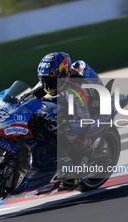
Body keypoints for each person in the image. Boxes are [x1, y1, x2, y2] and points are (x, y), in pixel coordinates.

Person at [33, 52, 104, 191]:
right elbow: (31, 95)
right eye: (44, 80)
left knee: (69, 134)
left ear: (62, 76)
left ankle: (80, 166)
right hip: (66, 99)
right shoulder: (51, 79)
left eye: (50, 81)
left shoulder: (76, 91)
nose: (47, 85)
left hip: (90, 109)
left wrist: (65, 124)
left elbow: (85, 123)